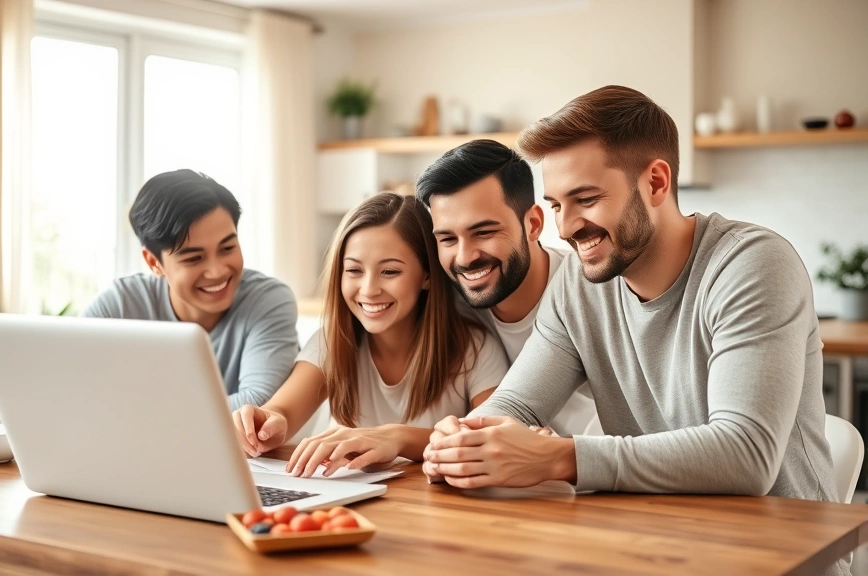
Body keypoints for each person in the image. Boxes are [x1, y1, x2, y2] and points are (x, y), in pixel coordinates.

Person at [423, 85, 838, 506]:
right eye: (555, 206)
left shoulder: (751, 264)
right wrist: (463, 439)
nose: (565, 228)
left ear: (656, 183)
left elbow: (747, 455)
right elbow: (516, 404)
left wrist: (559, 457)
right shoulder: (578, 286)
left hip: (784, 556)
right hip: (661, 546)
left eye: (586, 199)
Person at [233, 193, 508, 478]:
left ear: (427, 275)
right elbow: (282, 412)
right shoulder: (332, 340)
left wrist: (396, 438)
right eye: (353, 270)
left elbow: (494, 439)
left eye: (389, 271)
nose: (369, 289)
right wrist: (265, 422)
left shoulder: (474, 349)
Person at [415, 139, 598, 437]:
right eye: (447, 239)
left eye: (483, 232)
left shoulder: (592, 291)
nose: (464, 257)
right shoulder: (451, 307)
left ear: (533, 224)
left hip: (605, 474)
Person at [82, 169, 299, 411]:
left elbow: (258, 404)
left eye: (227, 248)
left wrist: (138, 413)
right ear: (154, 263)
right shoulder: (120, 304)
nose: (217, 271)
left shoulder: (268, 301)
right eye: (194, 258)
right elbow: (72, 383)